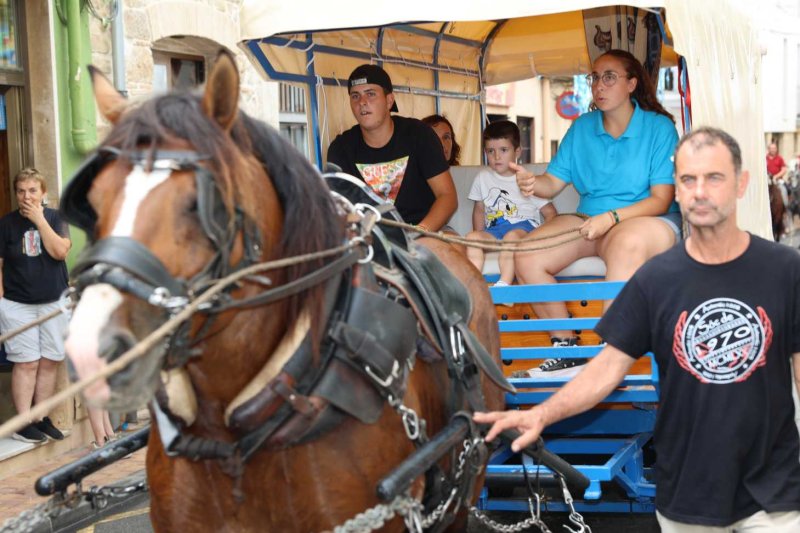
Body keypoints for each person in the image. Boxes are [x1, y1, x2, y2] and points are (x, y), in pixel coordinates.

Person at [476, 127, 800, 532]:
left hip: (772, 497)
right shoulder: (655, 280)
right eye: (688, 179)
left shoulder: (784, 271)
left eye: (714, 177)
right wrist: (541, 414)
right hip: (688, 496)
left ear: (741, 183)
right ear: (676, 190)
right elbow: (607, 367)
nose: (700, 191)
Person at [511, 49, 681, 378]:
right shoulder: (582, 127)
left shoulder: (659, 128)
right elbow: (552, 183)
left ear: (631, 84)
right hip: (591, 220)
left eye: (609, 77)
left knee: (626, 243)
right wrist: (532, 183)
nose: (598, 86)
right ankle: (567, 351)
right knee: (526, 252)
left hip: (645, 219)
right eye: (594, 78)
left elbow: (661, 199)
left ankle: (610, 353)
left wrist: (612, 218)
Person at [327, 64, 458, 233]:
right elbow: (340, 210)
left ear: (389, 101)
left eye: (371, 94)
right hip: (372, 239)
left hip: (428, 230)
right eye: (355, 96)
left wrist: (418, 233)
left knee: (458, 252)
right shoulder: (340, 148)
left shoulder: (418, 134)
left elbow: (447, 196)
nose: (362, 102)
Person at [0, 168, 71, 443]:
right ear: (15, 193)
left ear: (43, 193)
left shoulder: (56, 218)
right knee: (26, 363)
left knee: (50, 360)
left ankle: (40, 418)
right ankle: (23, 422)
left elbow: (60, 251)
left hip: (54, 302)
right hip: (18, 305)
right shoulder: (5, 224)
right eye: (21, 191)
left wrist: (40, 220)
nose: (26, 196)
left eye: (32, 190)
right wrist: (2, 301)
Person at [465, 120, 556, 287]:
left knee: (511, 237)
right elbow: (479, 210)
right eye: (490, 151)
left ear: (518, 151)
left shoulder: (528, 179)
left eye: (503, 150)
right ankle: (474, 284)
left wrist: (543, 239)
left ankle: (504, 284)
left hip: (524, 229)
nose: (496, 157)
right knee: (472, 238)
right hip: (494, 229)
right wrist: (481, 235)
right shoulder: (482, 178)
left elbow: (550, 213)